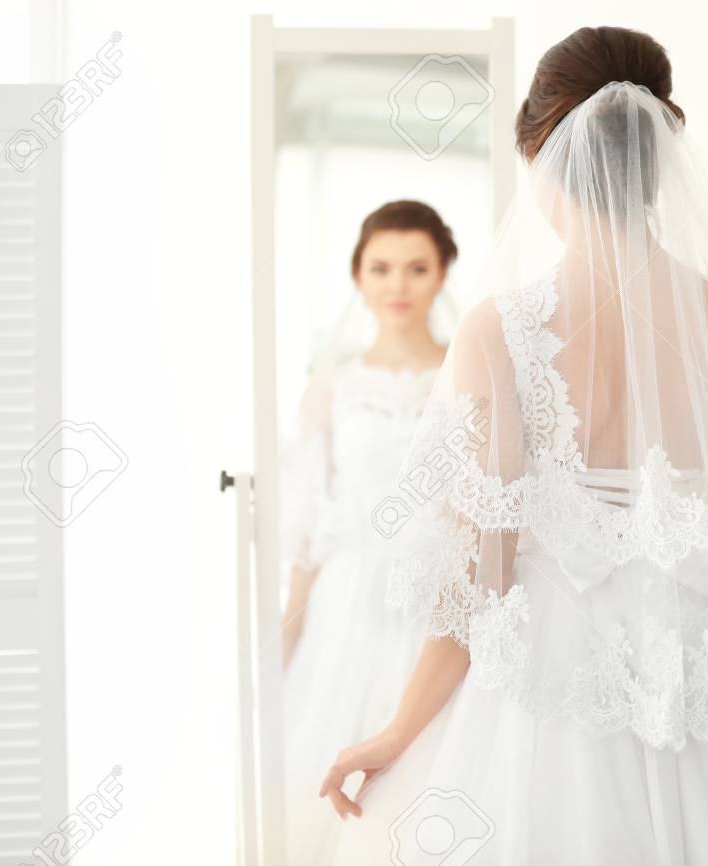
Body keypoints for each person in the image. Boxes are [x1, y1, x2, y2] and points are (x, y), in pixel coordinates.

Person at [320, 27, 708, 866]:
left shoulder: (501, 330)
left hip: (545, 713)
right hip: (701, 718)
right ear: (660, 158)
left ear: (546, 159)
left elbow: (480, 576)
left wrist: (398, 732)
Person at [279, 200, 454, 866]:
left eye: (416, 267)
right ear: (358, 276)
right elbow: (310, 524)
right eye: (380, 268)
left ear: (442, 274)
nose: (397, 284)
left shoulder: (468, 374)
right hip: (348, 608)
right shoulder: (330, 387)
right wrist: (286, 636)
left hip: (437, 601)